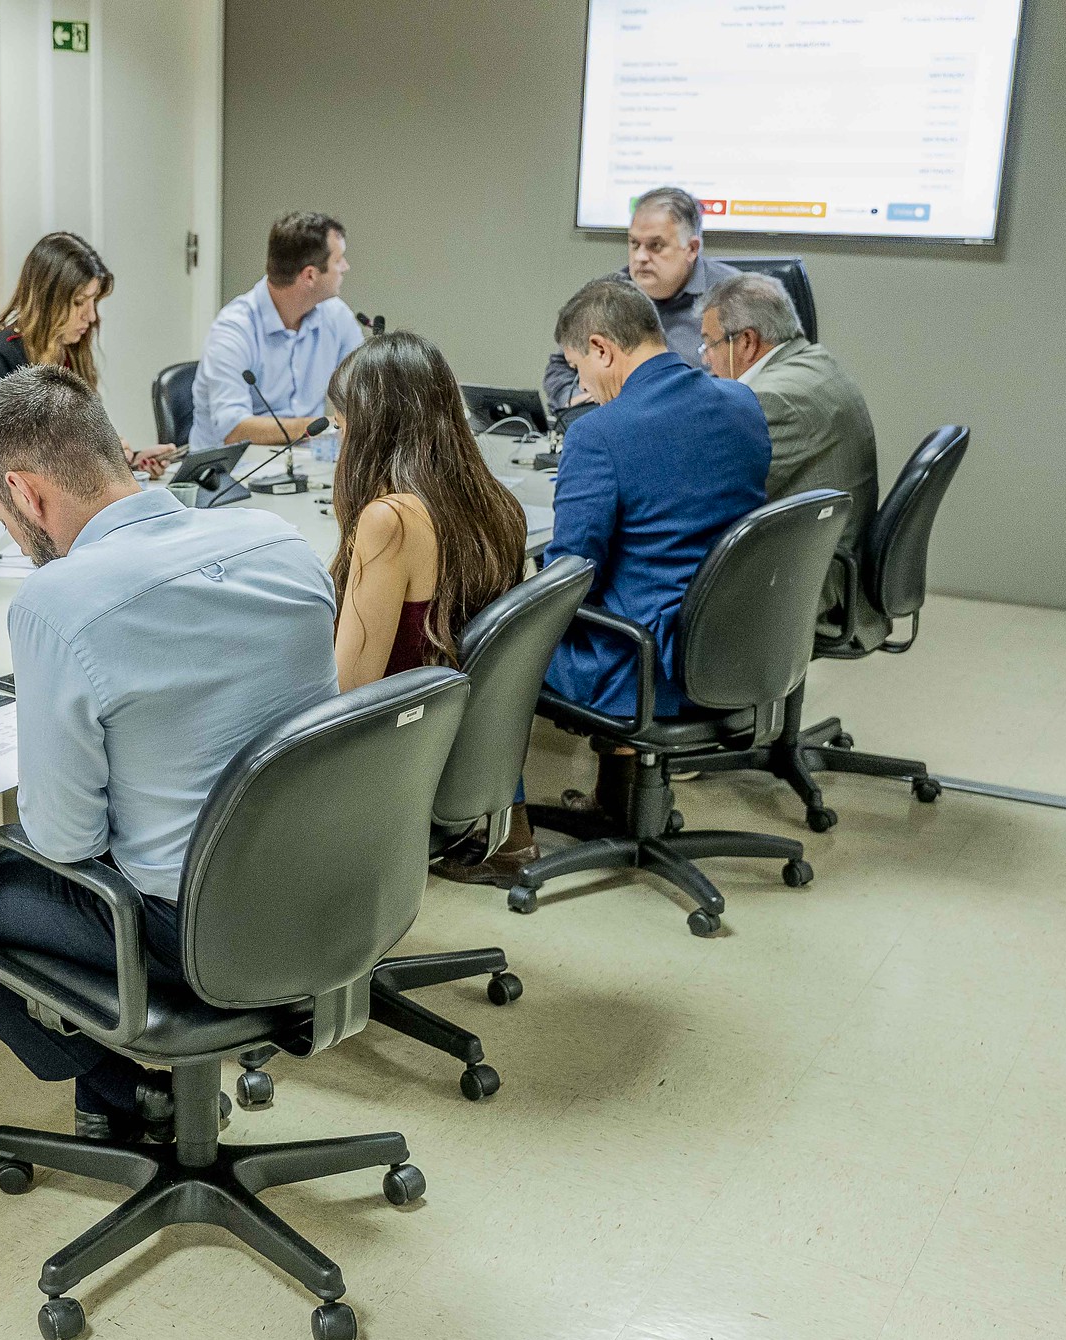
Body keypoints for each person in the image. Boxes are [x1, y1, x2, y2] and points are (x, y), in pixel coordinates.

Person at [0, 365, 339, 1140]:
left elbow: (67, 842)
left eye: (1, 513)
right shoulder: (278, 539)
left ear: (27, 494)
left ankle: (121, 1089)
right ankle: (118, 1093)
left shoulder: (58, 604)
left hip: (179, 930)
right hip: (318, 887)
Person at [543, 278, 769, 807]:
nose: (584, 387)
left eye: (579, 370)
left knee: (490, 642)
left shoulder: (598, 434)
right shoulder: (742, 403)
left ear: (602, 348)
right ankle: (619, 802)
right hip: (736, 647)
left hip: (644, 666)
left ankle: (505, 834)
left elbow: (570, 575)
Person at [323, 331, 533, 884]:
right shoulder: (494, 501)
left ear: (370, 430)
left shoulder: (390, 521)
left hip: (396, 753)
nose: (339, 450)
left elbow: (348, 690)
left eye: (342, 431)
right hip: (457, 746)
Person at [700, 272, 886, 651]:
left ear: (747, 341)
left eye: (709, 344)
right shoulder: (815, 361)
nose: (706, 360)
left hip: (809, 578)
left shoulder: (773, 400)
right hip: (831, 554)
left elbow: (704, 495)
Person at [0, 231, 175, 475]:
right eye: (78, 302)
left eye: (93, 301)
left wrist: (129, 460)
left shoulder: (70, 356)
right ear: (46, 300)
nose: (91, 316)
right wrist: (91, 459)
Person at [541, 187, 741, 413]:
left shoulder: (732, 294)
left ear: (692, 249)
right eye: (634, 244)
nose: (640, 257)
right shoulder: (612, 294)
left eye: (656, 246)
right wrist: (579, 401)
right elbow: (561, 367)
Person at [188, 211, 364, 451]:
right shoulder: (233, 329)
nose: (345, 267)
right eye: (338, 260)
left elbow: (363, 391)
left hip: (305, 464)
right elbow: (233, 429)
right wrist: (323, 425)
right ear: (310, 275)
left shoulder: (335, 316)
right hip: (234, 473)